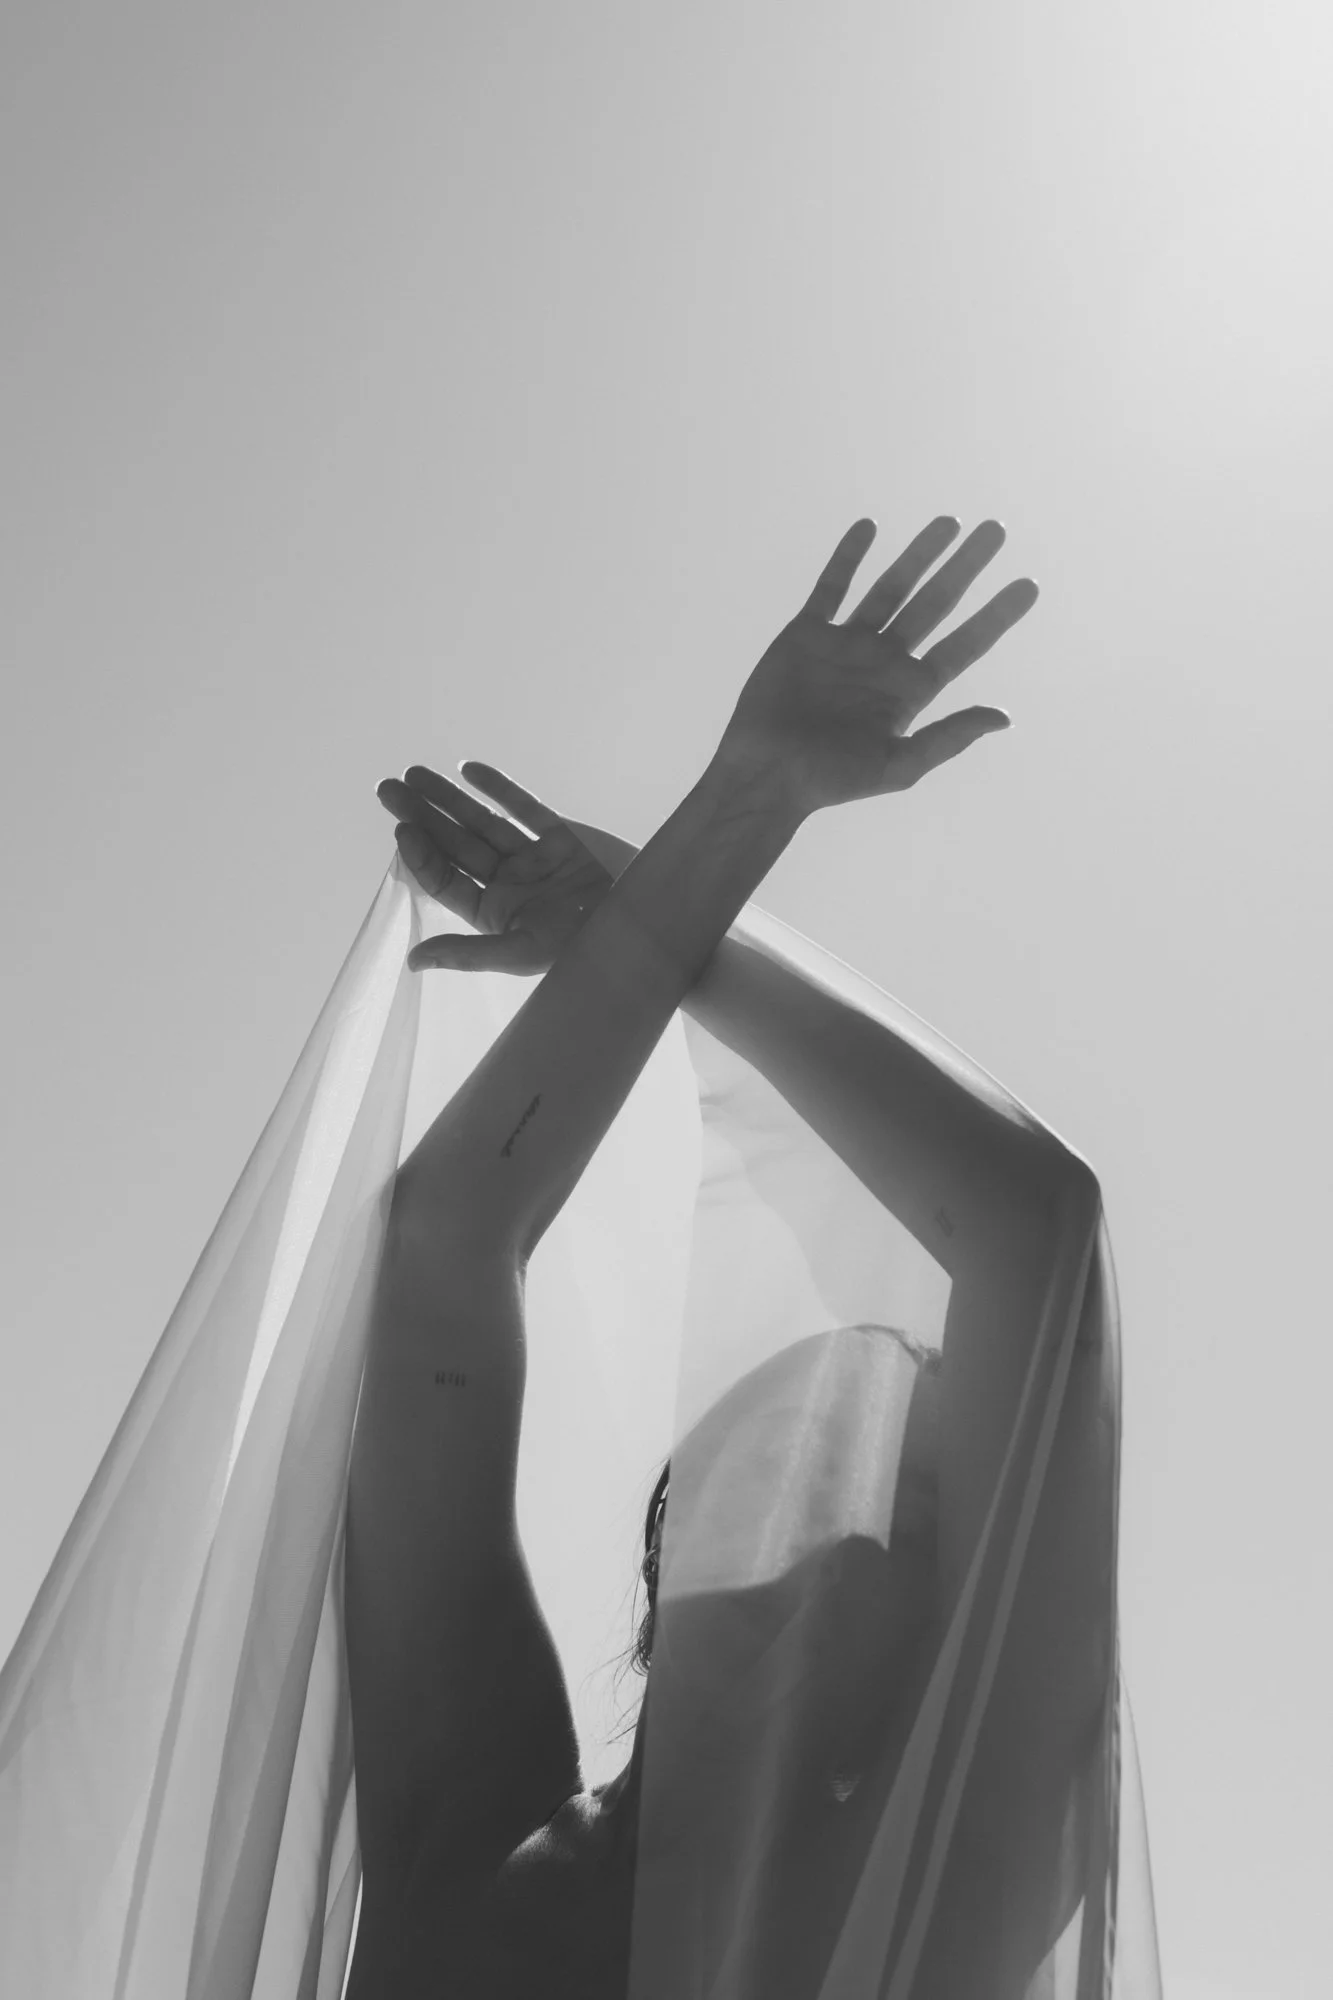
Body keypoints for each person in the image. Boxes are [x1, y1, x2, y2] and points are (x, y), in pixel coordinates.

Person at [341, 514, 1110, 1997]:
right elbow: (445, 1247)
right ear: (660, 1558)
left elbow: (1036, 1233)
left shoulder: (964, 1877)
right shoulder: (473, 1840)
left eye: (905, 1516)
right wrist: (698, 856)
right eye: (773, 1485)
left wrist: (696, 885)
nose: (830, 1541)